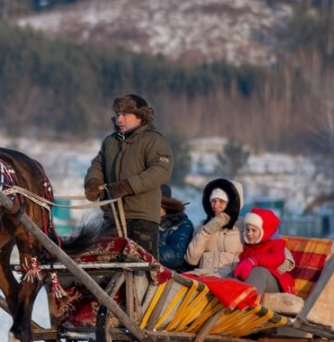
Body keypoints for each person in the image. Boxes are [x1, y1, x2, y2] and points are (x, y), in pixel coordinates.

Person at [83, 94, 173, 256]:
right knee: (105, 268)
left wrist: (127, 186)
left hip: (142, 220)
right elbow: (98, 164)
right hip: (112, 218)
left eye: (125, 115)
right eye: (118, 115)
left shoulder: (154, 140)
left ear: (140, 117)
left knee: (139, 271)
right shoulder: (110, 142)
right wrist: (93, 182)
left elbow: (160, 171)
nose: (119, 120)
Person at [184, 178, 244, 276]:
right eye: (213, 201)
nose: (215, 206)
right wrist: (207, 231)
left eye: (221, 201)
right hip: (204, 278)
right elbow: (191, 259)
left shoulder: (244, 226)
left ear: (233, 203)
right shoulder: (203, 226)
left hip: (231, 279)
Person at [232, 207, 296, 295]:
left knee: (258, 272)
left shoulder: (276, 243)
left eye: (253, 230)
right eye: (247, 229)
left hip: (276, 283)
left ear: (265, 231)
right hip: (253, 282)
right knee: (232, 277)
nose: (249, 233)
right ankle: (228, 302)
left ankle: (248, 303)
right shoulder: (248, 246)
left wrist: (254, 260)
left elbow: (277, 258)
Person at [158, 184, 194, 271]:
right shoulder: (141, 222)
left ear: (164, 206)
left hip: (170, 276)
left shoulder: (182, 224)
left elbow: (176, 256)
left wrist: (145, 253)